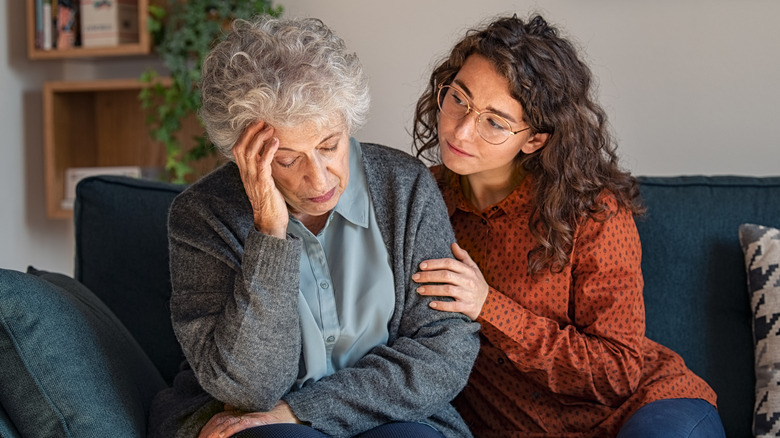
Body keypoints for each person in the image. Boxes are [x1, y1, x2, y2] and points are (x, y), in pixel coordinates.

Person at [148, 16, 480, 438]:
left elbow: (443, 352)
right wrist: (269, 234)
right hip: (251, 420)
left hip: (395, 414)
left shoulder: (404, 186)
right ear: (243, 153)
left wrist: (302, 409)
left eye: (330, 146)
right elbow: (249, 389)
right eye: (287, 160)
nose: (321, 181)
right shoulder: (203, 216)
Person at [411, 14, 726, 438]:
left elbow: (618, 372)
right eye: (459, 100)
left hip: (638, 411)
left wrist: (488, 306)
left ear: (534, 139)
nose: (462, 130)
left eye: (494, 122)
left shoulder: (593, 213)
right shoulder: (422, 199)